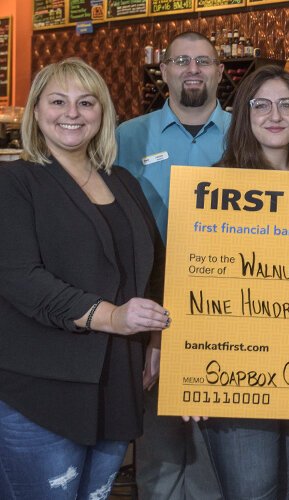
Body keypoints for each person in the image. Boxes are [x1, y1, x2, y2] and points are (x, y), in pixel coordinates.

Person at [0, 58, 168, 499]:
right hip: (40, 388)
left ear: (103, 113)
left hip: (117, 382)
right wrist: (112, 317)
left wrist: (154, 341)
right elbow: (20, 278)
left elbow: (149, 266)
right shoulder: (13, 182)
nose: (71, 113)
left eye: (85, 102)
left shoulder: (124, 181)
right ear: (36, 111)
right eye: (58, 101)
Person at [115, 31, 228, 500]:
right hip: (147, 309)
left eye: (203, 61)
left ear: (220, 71)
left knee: (214, 461)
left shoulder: (248, 128)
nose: (193, 69)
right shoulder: (127, 136)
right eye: (181, 60)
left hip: (227, 310)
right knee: (158, 461)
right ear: (163, 71)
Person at [202, 64, 289, 500]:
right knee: (254, 492)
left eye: (287, 104)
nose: (276, 115)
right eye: (262, 105)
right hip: (238, 376)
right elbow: (197, 287)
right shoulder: (216, 188)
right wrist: (193, 377)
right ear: (243, 116)